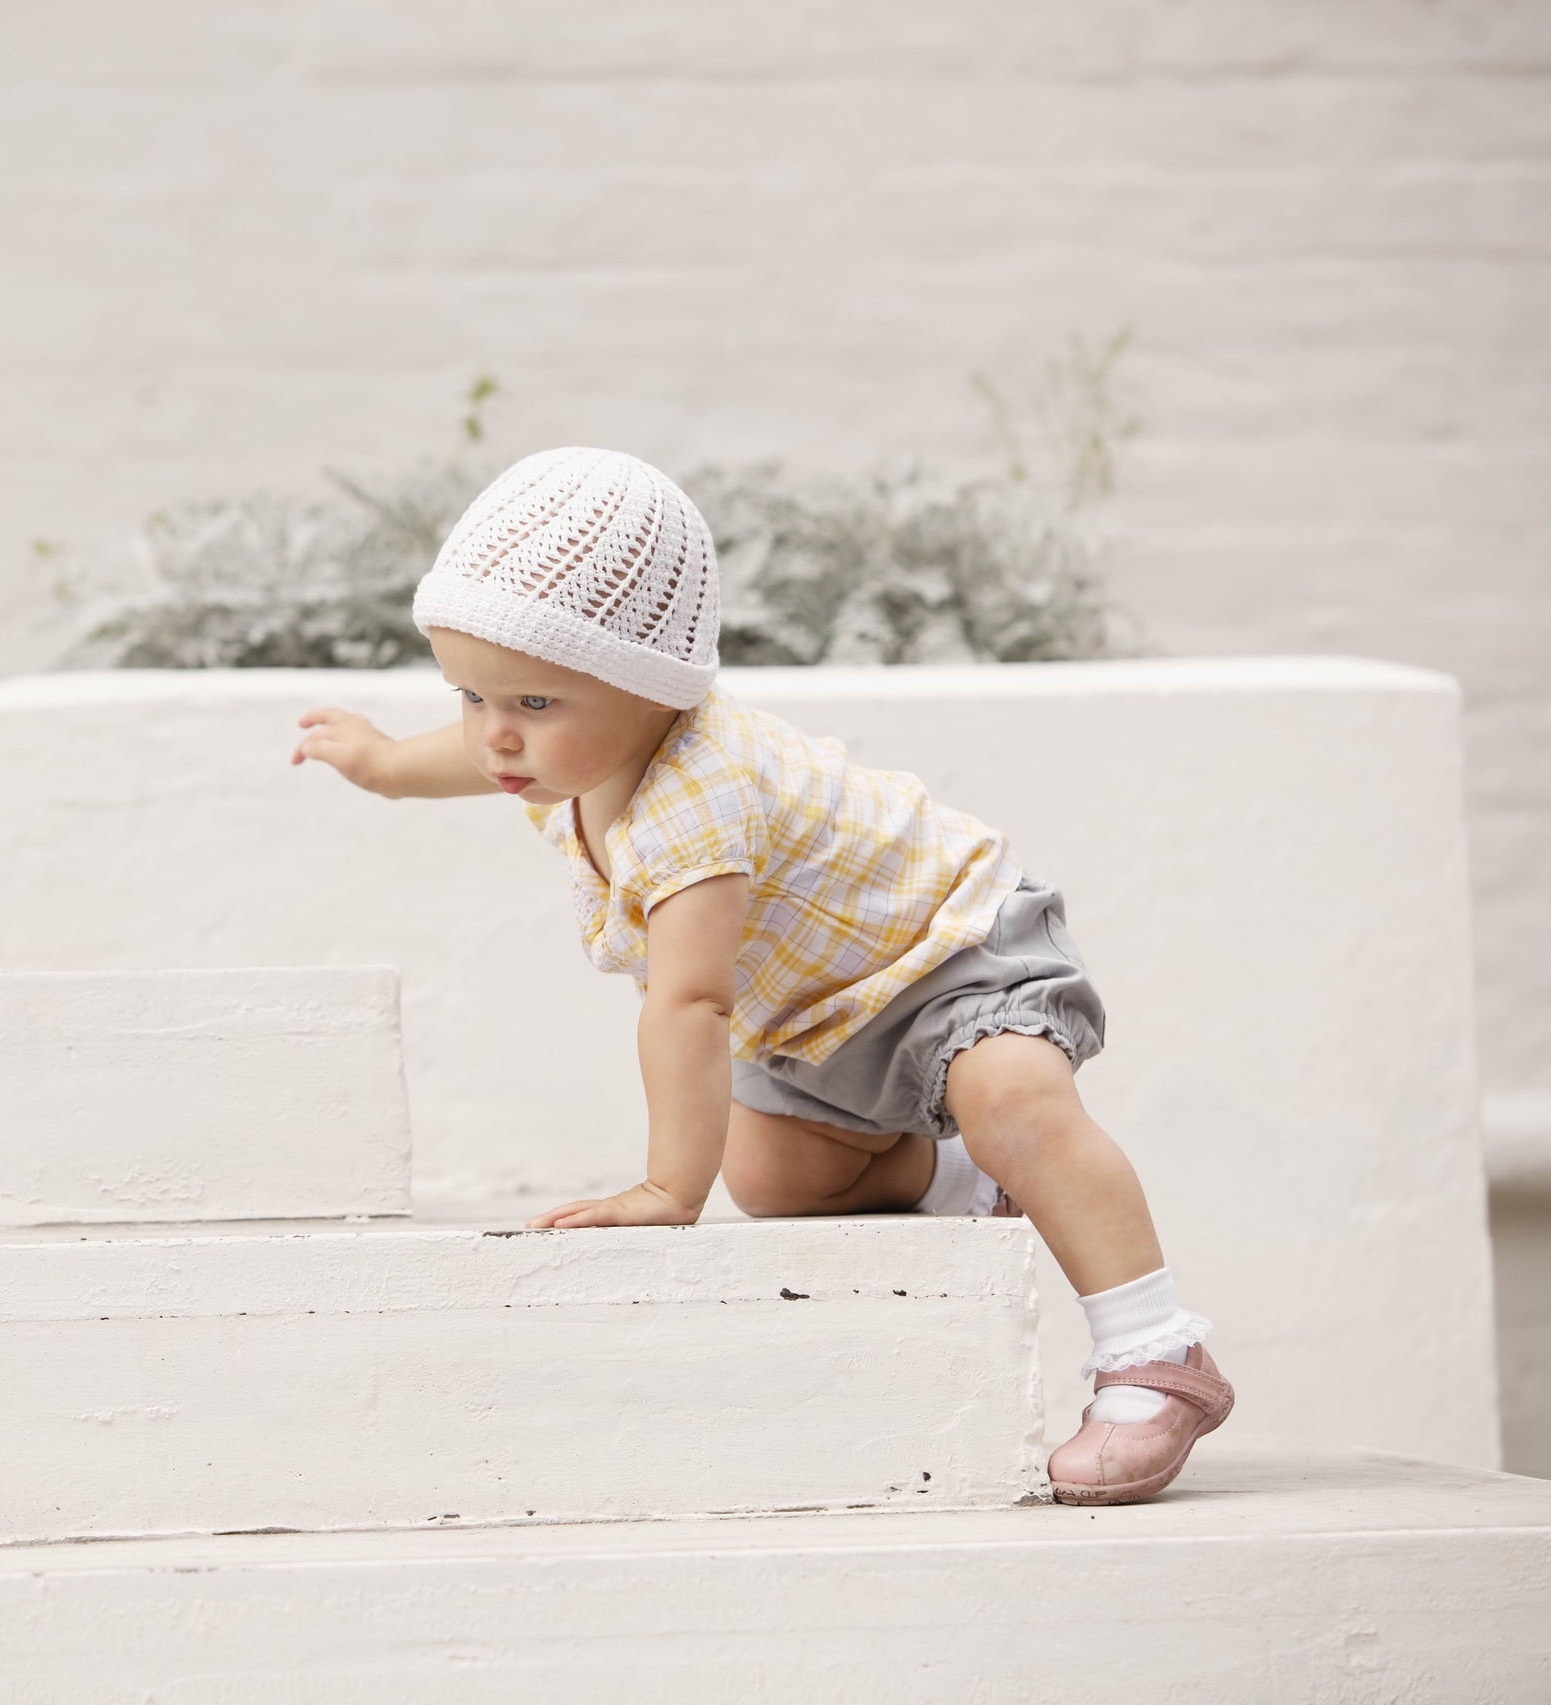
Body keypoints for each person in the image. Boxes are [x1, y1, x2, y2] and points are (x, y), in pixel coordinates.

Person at [292, 445, 1232, 1506]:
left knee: (1009, 1097)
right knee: (780, 1177)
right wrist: (380, 763)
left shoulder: (694, 797)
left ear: (647, 684)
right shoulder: (575, 745)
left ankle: (1153, 1354)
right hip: (829, 1019)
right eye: (468, 692)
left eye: (533, 702)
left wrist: (664, 1190)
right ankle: (976, 1186)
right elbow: (480, 758)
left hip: (952, 955)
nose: (493, 734)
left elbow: (690, 1002)